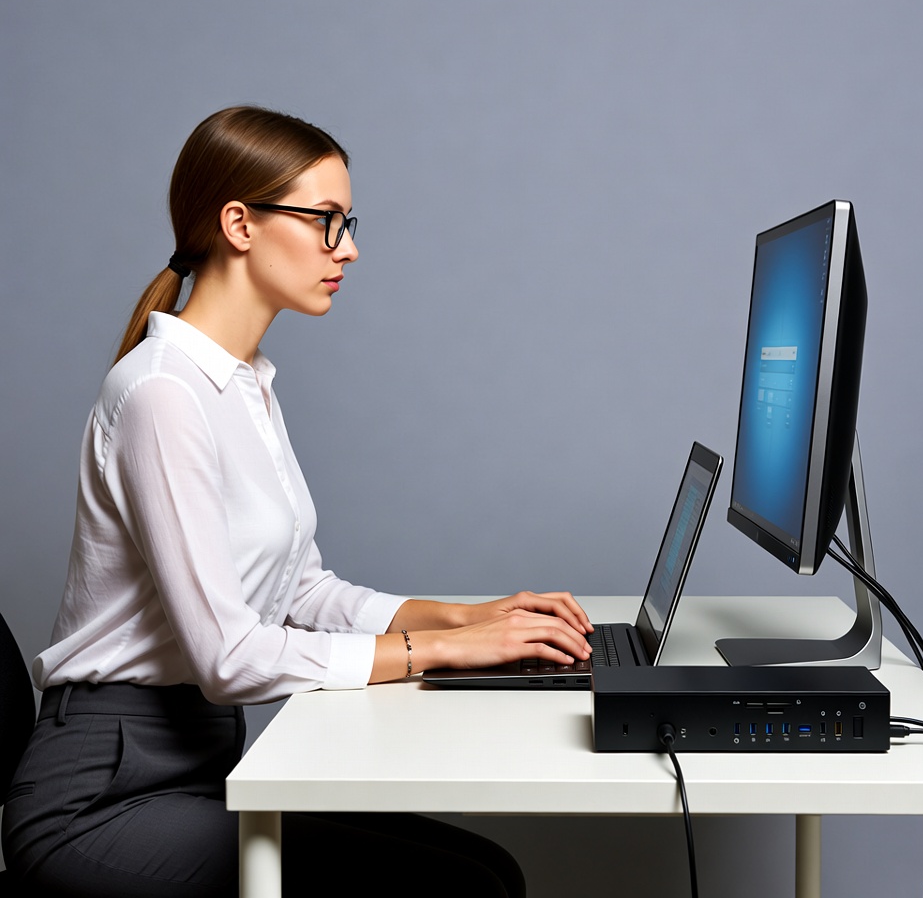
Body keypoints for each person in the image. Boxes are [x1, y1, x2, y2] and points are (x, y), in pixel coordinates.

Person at [1, 106, 593, 897]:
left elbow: (300, 591)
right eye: (324, 221)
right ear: (239, 224)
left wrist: (469, 618)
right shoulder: (161, 394)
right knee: (463, 889)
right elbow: (229, 656)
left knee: (488, 871)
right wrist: (438, 654)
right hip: (102, 798)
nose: (347, 247)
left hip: (203, 761)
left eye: (347, 222)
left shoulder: (246, 385)